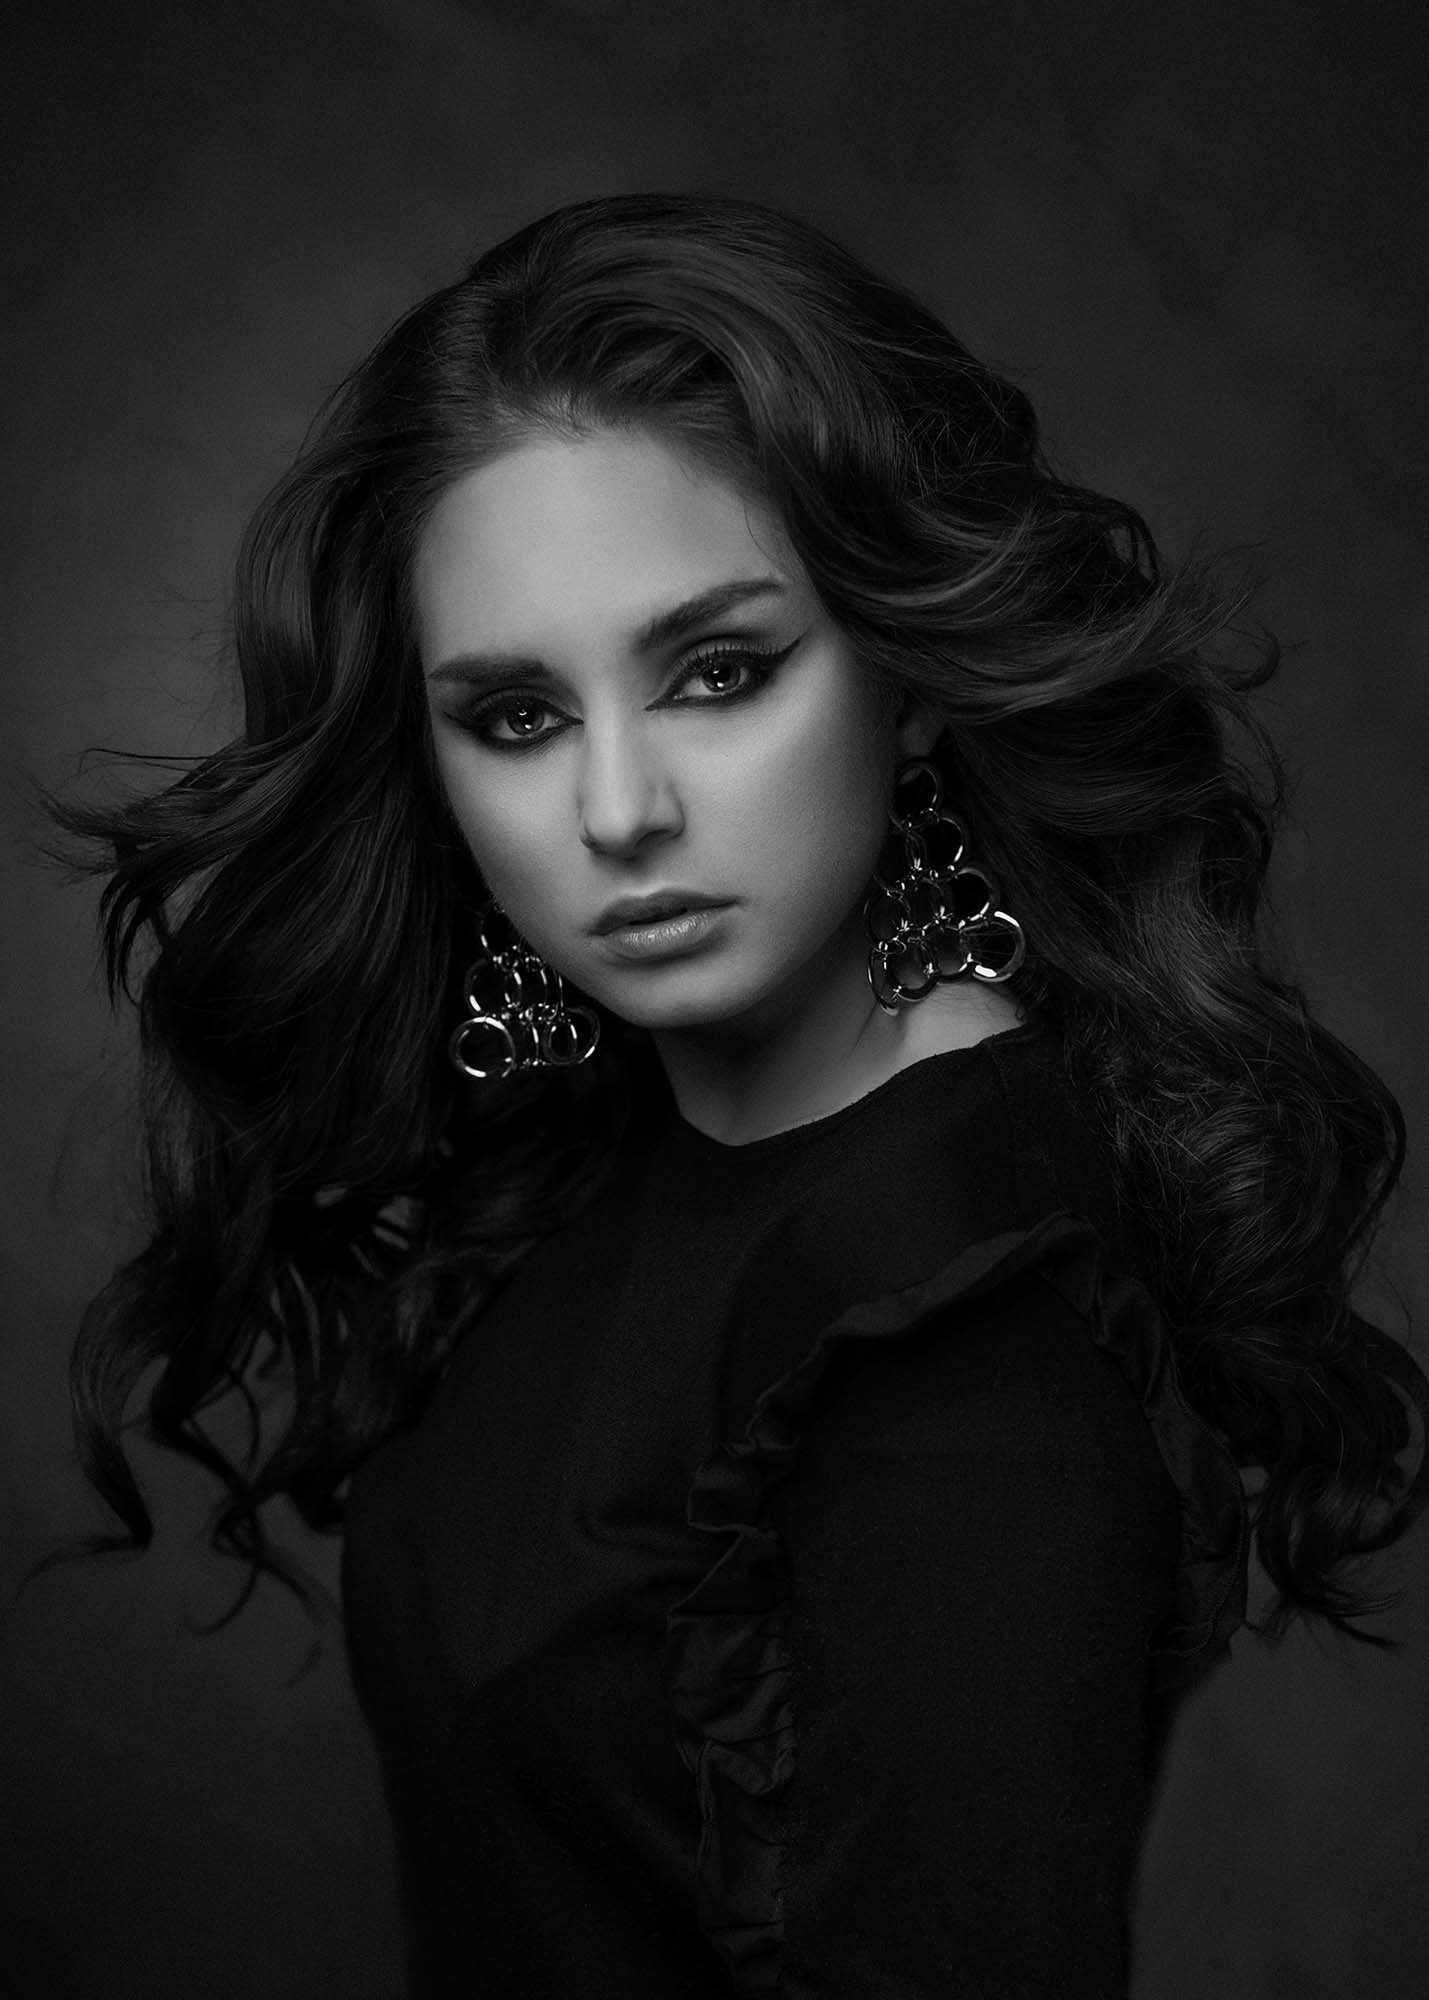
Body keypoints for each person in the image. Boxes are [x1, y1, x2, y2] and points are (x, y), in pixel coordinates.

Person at [27, 192, 1429, 1998]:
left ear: (907, 679)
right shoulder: (596, 1146)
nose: (619, 811)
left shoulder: (954, 1308)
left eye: (718, 673)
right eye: (517, 717)